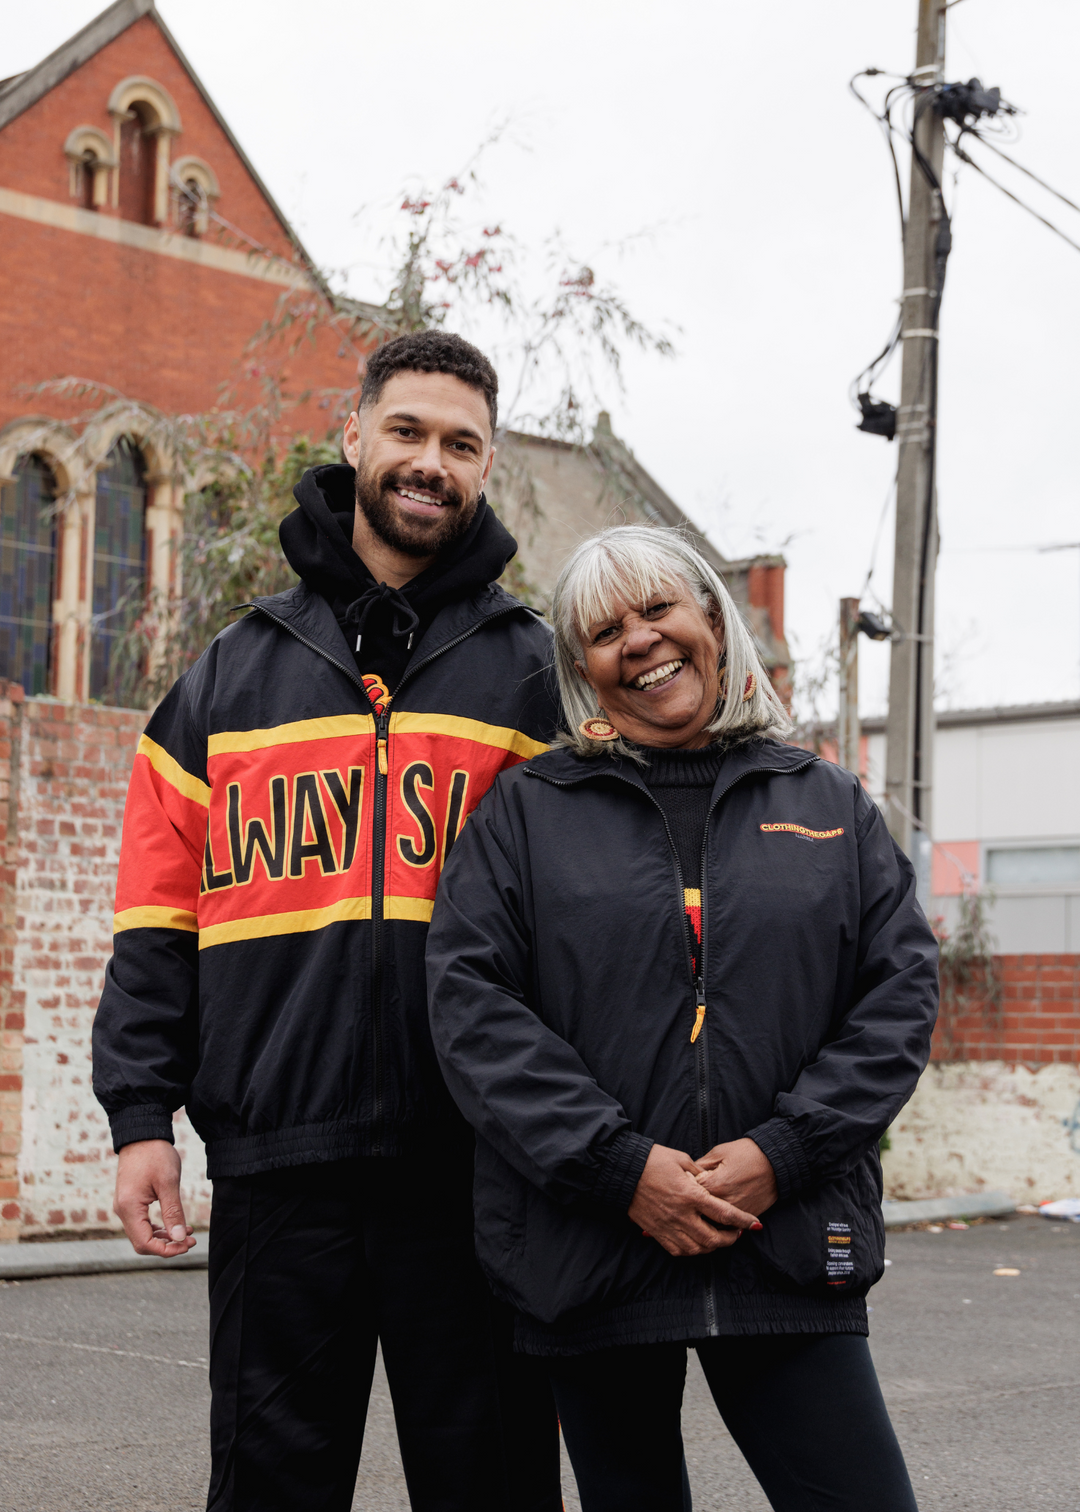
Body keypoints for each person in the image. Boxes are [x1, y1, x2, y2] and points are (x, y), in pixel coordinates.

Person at [92, 331, 564, 1512]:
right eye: (406, 430)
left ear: (488, 466)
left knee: (494, 1486)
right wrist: (139, 1113)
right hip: (279, 1170)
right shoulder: (228, 676)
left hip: (479, 1175)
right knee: (268, 1491)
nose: (429, 462)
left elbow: (600, 919)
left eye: (461, 444)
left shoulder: (534, 678)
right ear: (352, 436)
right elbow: (155, 916)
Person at [426, 523, 939, 1512]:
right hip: (594, 1253)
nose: (642, 641)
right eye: (606, 629)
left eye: (659, 608)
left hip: (783, 1243)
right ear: (583, 668)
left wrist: (783, 1151)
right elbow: (472, 1005)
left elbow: (899, 995)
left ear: (712, 616)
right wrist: (621, 1168)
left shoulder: (828, 803)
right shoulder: (524, 815)